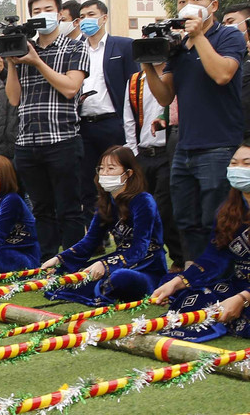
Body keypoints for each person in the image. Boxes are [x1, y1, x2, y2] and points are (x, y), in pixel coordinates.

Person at [142, 0, 244, 263]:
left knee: (217, 218)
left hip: (219, 144)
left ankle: (221, 278)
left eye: (196, 0)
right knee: (186, 219)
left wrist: (198, 36)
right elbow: (164, 96)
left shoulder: (228, 35)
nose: (188, 6)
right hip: (184, 145)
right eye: (182, 1)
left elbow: (223, 74)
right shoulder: (179, 46)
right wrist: (149, 65)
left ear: (212, 6)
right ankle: (195, 274)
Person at [2, 0, 90, 263]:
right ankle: (47, 260)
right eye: (36, 12)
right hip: (27, 141)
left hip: (62, 138)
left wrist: (37, 61)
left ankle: (73, 262)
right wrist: (12, 62)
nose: (42, 16)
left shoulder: (75, 46)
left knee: (69, 208)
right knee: (41, 208)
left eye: (47, 10)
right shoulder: (23, 47)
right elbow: (14, 98)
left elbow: (70, 88)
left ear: (60, 13)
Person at [42, 146, 166, 306]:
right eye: (101, 168)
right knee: (68, 274)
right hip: (119, 260)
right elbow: (89, 242)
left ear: (128, 173)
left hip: (146, 266)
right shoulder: (107, 201)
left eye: (111, 168)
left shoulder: (143, 201)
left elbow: (139, 249)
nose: (104, 173)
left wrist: (106, 265)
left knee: (119, 278)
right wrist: (60, 258)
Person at [151, 142, 250, 341]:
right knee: (191, 299)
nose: (238, 169)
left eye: (246, 164)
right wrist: (178, 282)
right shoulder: (228, 211)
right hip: (239, 284)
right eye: (234, 163)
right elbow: (214, 259)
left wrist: (243, 299)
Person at [77, 0, 138, 228]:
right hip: (83, 124)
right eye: (82, 16)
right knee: (88, 182)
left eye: (91, 14)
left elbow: (133, 86)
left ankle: (126, 226)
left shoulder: (122, 46)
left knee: (118, 177)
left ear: (103, 17)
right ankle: (96, 234)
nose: (86, 20)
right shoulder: (75, 48)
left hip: (113, 122)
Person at [123, 63, 185, 271]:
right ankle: (146, 257)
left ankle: (179, 257)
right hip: (143, 152)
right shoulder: (135, 81)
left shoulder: (177, 74)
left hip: (168, 152)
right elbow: (129, 117)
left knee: (164, 209)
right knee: (141, 209)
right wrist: (133, 153)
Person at [221, 3, 250, 137]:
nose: (227, 26)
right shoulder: (225, 57)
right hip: (231, 133)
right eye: (224, 23)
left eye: (231, 22)